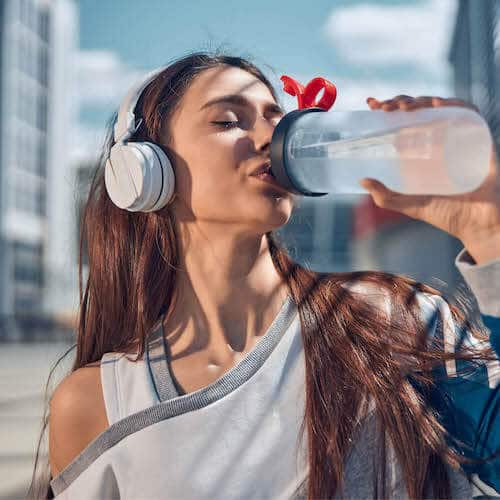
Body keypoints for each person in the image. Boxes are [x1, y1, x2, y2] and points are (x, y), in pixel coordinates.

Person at [29, 52, 499, 499]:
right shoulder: (98, 403)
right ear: (145, 171)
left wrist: (488, 231)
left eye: (275, 118)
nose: (269, 139)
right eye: (228, 120)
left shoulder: (395, 320)